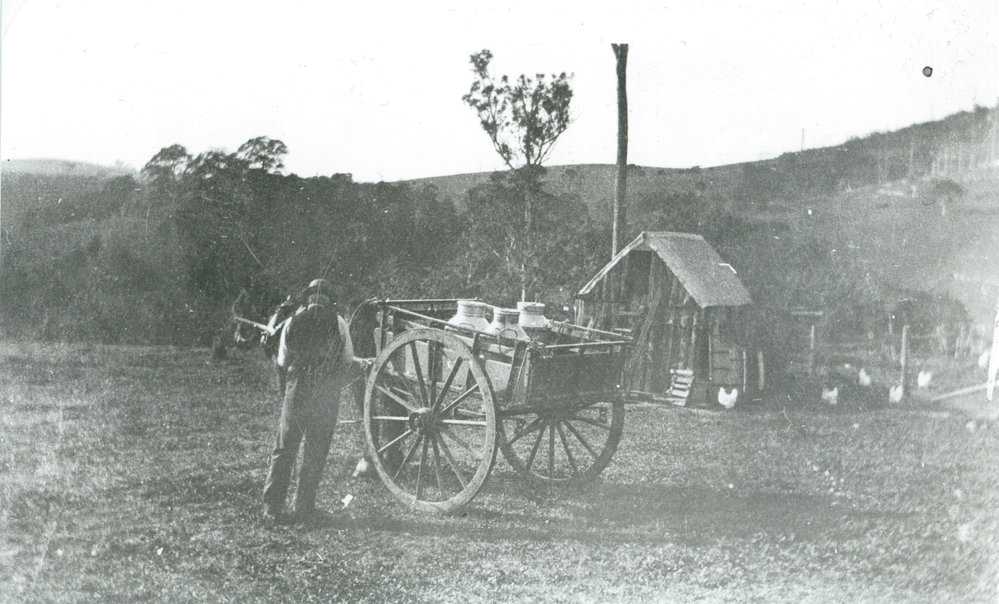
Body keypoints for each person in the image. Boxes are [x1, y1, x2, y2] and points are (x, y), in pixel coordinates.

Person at [262, 278, 370, 523]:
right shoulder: (339, 322)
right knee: (316, 450)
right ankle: (304, 507)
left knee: (285, 448)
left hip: (298, 389)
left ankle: (272, 507)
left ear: (308, 298)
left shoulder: (292, 321)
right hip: (325, 392)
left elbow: (282, 361)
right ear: (329, 299)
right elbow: (347, 359)